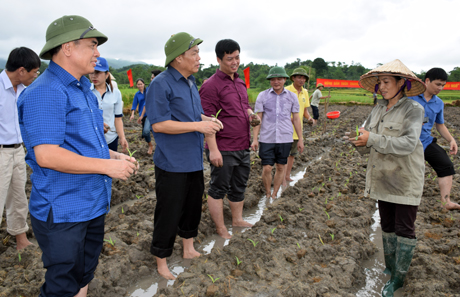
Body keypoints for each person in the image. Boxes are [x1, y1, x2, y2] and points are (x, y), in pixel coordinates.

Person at [17, 15, 138, 297]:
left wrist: (112, 156)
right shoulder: (46, 92)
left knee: (83, 275)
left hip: (91, 203)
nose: (98, 53)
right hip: (64, 210)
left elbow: (79, 144)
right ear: (68, 47)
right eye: (92, 45)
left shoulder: (82, 88)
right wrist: (106, 166)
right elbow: (46, 155)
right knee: (62, 285)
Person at [145, 32, 222, 280]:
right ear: (179, 58)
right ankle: (161, 261)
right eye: (194, 53)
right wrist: (199, 127)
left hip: (192, 159)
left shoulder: (190, 83)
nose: (199, 58)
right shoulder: (161, 83)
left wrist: (207, 120)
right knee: (168, 211)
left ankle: (188, 249)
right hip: (171, 162)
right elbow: (159, 125)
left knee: (191, 208)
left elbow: (194, 116)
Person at [347, 59, 426, 297]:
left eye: (387, 82)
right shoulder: (378, 109)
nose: (382, 86)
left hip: (404, 178)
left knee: (404, 228)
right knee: (388, 225)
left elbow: (408, 143)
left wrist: (371, 138)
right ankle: (391, 268)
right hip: (382, 177)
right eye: (380, 82)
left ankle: (398, 279)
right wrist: (358, 140)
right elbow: (368, 140)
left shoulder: (413, 110)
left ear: (402, 83)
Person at [199, 39, 258, 239]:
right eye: (229, 59)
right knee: (219, 187)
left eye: (237, 57)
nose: (235, 62)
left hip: (242, 144)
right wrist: (213, 149)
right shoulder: (210, 86)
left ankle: (237, 219)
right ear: (219, 59)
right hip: (223, 146)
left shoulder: (240, 82)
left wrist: (251, 114)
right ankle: (220, 228)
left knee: (239, 185)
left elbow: (244, 106)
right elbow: (207, 120)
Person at [0, 47, 40, 251]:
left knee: (18, 195)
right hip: (0, 151)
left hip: (18, 150)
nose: (36, 76)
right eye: (34, 72)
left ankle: (21, 238)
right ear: (22, 70)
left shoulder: (25, 91)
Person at [410, 68, 460, 210]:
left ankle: (446, 202)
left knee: (446, 165)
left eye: (443, 85)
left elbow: (440, 125)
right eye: (438, 84)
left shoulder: (439, 103)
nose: (440, 88)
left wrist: (451, 140)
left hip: (425, 141)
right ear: (427, 81)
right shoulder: (409, 97)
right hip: (406, 142)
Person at [251, 66, 304, 199]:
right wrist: (255, 139)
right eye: (273, 79)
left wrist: (301, 139)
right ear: (270, 81)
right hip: (267, 138)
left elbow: (296, 118)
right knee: (267, 168)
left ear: (285, 79)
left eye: (279, 79)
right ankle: (268, 192)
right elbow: (258, 119)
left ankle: (275, 194)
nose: (276, 82)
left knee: (281, 167)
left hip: (285, 137)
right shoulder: (263, 95)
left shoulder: (292, 96)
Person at [90, 57, 128, 152]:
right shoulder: (85, 91)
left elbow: (118, 118)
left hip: (111, 138)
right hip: (91, 139)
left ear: (107, 75)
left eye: (98, 72)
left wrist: (122, 137)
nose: (94, 76)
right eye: (92, 72)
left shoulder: (115, 93)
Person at [284, 67, 313, 184]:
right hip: (285, 128)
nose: (301, 80)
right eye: (299, 77)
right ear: (294, 78)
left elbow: (304, 110)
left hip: (297, 129)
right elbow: (279, 109)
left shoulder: (305, 92)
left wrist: (309, 118)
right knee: (284, 154)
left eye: (304, 78)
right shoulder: (286, 90)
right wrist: (287, 118)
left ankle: (287, 176)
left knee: (292, 155)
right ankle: (281, 178)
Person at [130, 78, 154, 154]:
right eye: (138, 84)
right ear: (136, 85)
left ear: (144, 84)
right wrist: (132, 114)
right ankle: (150, 144)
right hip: (142, 115)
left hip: (150, 113)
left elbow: (146, 104)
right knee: (144, 133)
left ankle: (151, 147)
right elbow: (134, 105)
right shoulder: (137, 94)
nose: (140, 85)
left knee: (146, 131)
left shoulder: (148, 91)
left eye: (141, 84)